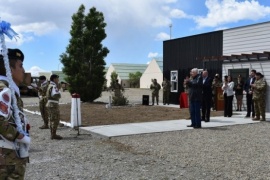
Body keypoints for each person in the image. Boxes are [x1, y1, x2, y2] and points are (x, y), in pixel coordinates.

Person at [0, 48, 30, 179]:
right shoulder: (5, 90)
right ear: (10, 70)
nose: (23, 70)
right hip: (7, 157)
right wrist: (20, 136)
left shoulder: (10, 90)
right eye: (20, 66)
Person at [46, 74, 62, 140]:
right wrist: (58, 89)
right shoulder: (54, 86)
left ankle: (52, 134)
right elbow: (56, 95)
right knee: (55, 119)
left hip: (50, 104)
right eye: (57, 79)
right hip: (53, 104)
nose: (58, 80)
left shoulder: (50, 85)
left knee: (51, 119)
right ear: (54, 79)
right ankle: (53, 134)